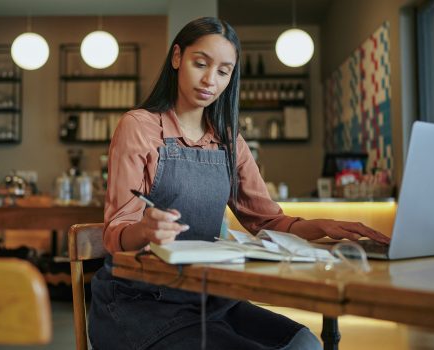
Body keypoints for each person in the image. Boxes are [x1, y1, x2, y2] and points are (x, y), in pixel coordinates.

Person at [88, 17, 390, 350]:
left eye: (223, 71)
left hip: (207, 296)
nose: (209, 80)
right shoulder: (139, 127)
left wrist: (321, 226)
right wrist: (145, 229)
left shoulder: (229, 141)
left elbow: (268, 221)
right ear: (177, 58)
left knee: (305, 343)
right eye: (200, 64)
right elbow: (116, 234)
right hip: (139, 302)